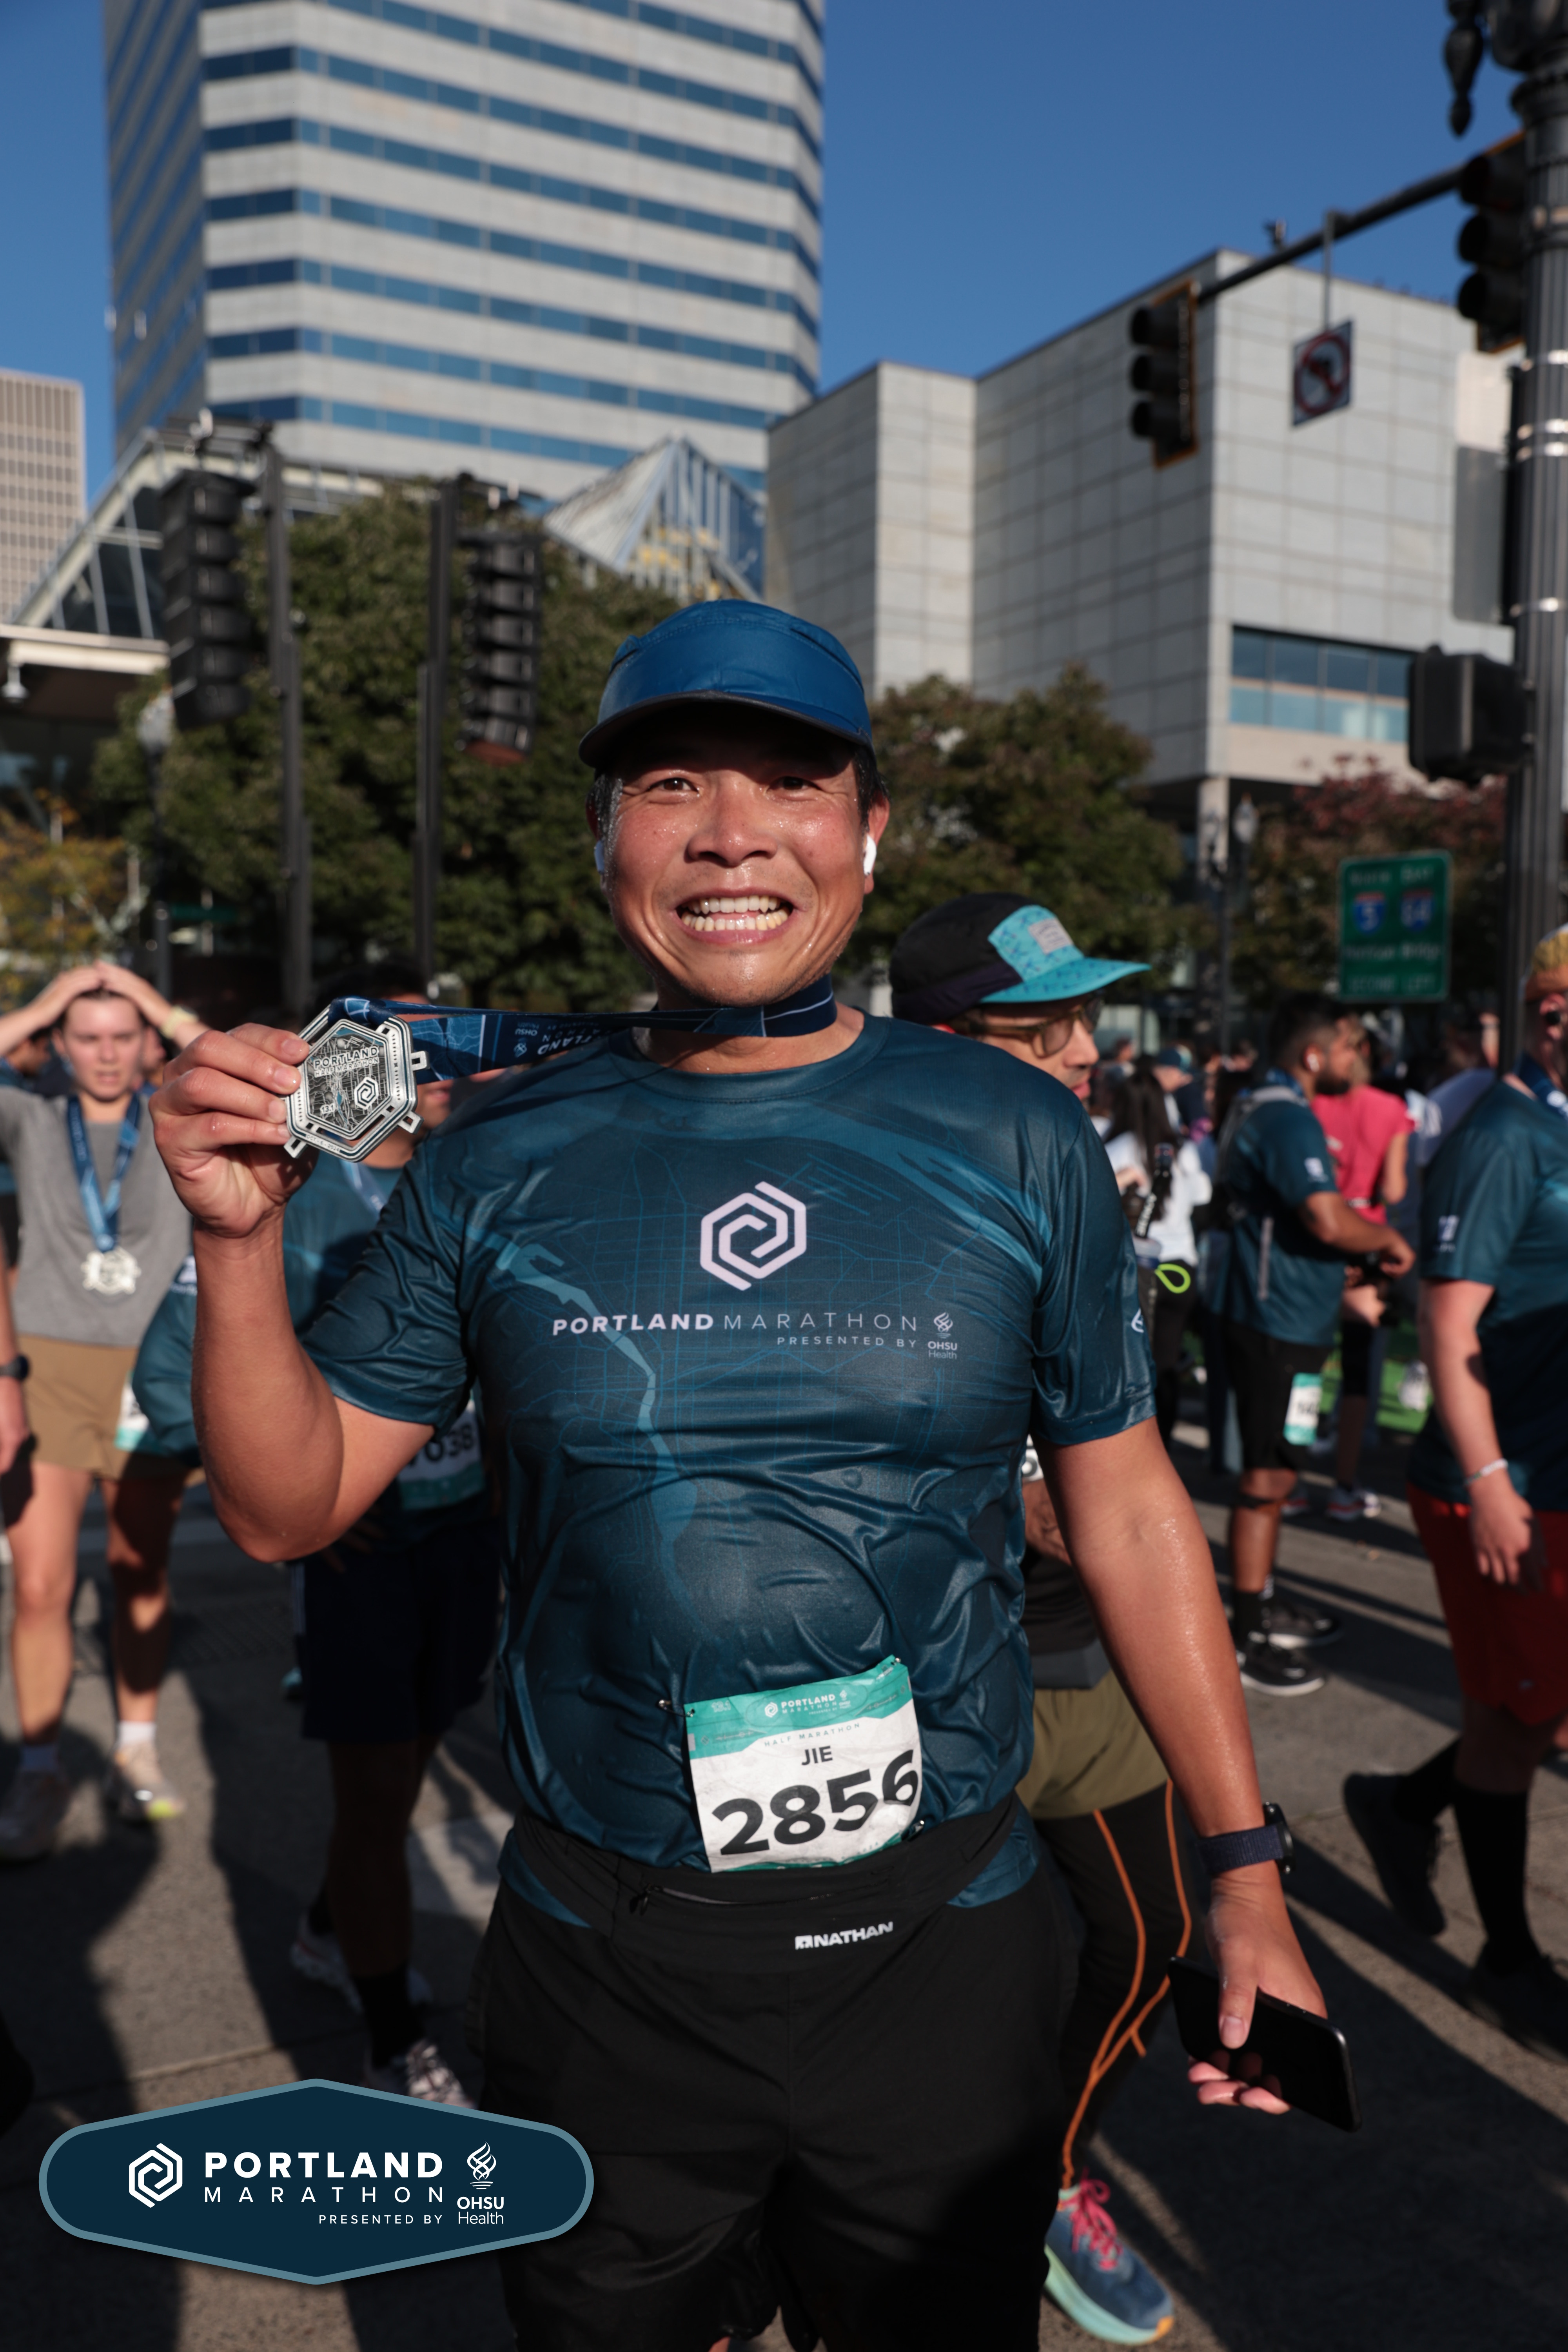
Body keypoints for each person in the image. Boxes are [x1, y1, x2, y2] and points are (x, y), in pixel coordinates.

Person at [152, 601, 1323, 2352]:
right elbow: (282, 1504)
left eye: (789, 781)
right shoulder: (496, 1148)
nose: (729, 832)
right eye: (670, 784)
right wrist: (237, 1244)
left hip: (942, 1945)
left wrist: (1240, 1867)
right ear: (605, 840)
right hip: (606, 1963)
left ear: (864, 830)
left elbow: (1131, 1504)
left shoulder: (1011, 1130)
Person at [890, 898, 1195, 2347]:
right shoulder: (863, 1187)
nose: (1084, 1051)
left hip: (1091, 1646)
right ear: (947, 1043)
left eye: (1083, 1018)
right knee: (943, 1987)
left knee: (1152, 1937)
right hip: (932, 1673)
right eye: (1042, 1028)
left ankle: (1050, 2175)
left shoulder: (1077, 1172)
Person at [132, 967, 500, 2104]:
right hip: (359, 1554)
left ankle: (328, 1929)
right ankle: (392, 2036)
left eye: (442, 1043)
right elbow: (171, 1381)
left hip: (464, 1536)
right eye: (405, 1045)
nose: (429, 1067)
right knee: (377, 1792)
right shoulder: (285, 1184)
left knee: (414, 1759)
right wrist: (296, 1512)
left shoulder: (473, 1173)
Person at [1345, 926, 1568, 2060]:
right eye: (1552, 1006)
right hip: (1506, 1480)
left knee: (1528, 1709)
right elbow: (1446, 1322)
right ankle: (1507, 1964)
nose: (1561, 1024)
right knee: (1518, 1721)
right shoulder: (1505, 1134)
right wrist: (1489, 1485)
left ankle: (1400, 1806)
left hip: (1551, 1467)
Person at [0, 964, 204, 1860]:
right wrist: (45, 1004)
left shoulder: (179, 1110)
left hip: (151, 1371)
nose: (108, 1054)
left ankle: (137, 1751)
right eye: (87, 1037)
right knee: (40, 1586)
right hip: (47, 1368)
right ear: (60, 1045)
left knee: (139, 1572)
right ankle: (40, 1769)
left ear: (149, 1042)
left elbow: (264, 1078)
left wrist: (157, 1003)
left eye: (124, 1036)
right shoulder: (32, 1118)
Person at [1215, 993, 1414, 1696]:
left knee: (1279, 1475)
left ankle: (1261, 1602)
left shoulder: (1263, 1103)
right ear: (1314, 1053)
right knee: (1267, 1482)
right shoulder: (1287, 1116)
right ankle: (1246, 1638)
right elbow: (1328, 1219)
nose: (1359, 1058)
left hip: (1285, 1319)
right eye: (1351, 1045)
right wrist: (1387, 1240)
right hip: (1276, 1325)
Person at [1312, 1021, 1413, 1524]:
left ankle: (1284, 1482)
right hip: (1367, 1240)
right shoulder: (1391, 1109)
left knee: (1304, 1364)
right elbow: (1393, 1190)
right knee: (1357, 1374)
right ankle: (1343, 1485)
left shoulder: (1312, 1104)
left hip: (1314, 1240)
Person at [1102, 1059, 1212, 1447]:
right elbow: (1203, 1196)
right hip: (1180, 1269)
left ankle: (1137, 1449)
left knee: (1133, 1365)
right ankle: (1163, 1450)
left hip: (1139, 1269)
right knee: (1165, 1363)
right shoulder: (1182, 1150)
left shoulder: (1115, 1149)